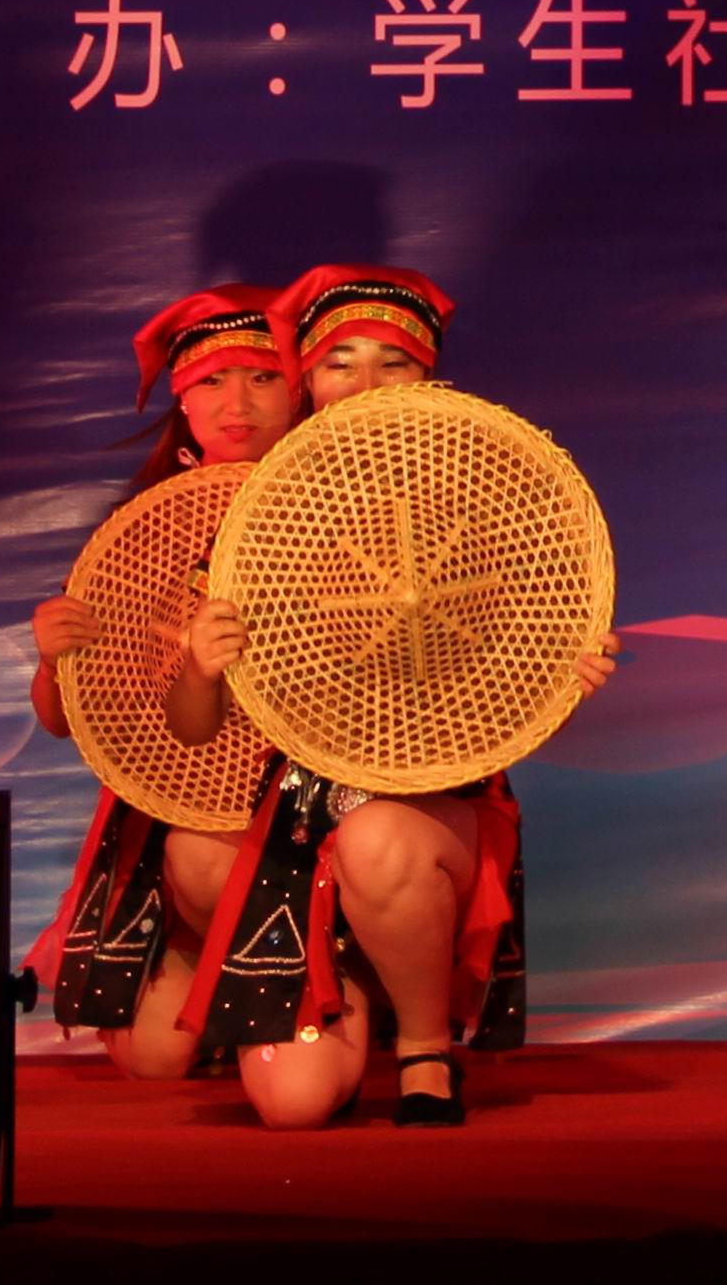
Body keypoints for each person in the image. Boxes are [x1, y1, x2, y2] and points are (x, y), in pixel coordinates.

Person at [168, 263, 619, 1130]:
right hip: (299, 826)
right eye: (341, 364)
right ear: (309, 381)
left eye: (393, 363)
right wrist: (200, 668)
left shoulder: (485, 497)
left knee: (377, 838)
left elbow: (517, 695)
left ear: (429, 375)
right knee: (293, 1108)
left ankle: (424, 1046)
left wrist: (566, 682)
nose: (366, 384)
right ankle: (359, 989)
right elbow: (195, 729)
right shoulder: (261, 518)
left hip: (431, 814)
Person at [35, 287, 304, 1076]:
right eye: (212, 381)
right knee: (155, 1060)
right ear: (182, 399)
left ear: (298, 389)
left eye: (262, 378)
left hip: (312, 806)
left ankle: (330, 987)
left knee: (208, 862)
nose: (237, 403)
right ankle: (206, 960)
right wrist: (52, 657)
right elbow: (62, 719)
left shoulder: (340, 506)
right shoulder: (140, 530)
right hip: (183, 796)